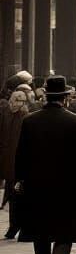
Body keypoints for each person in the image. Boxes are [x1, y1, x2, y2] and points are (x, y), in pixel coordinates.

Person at [14, 77, 76, 254]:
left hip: (36, 186)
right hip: (66, 186)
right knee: (65, 232)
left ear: (46, 97)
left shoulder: (30, 121)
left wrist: (19, 180)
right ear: (65, 98)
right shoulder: (75, 121)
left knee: (40, 234)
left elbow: (21, 155)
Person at [1, 87, 32, 238]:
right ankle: (15, 226)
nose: (16, 104)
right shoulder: (5, 115)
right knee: (13, 195)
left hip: (20, 162)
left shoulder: (26, 117)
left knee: (19, 196)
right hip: (8, 163)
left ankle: (19, 226)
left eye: (20, 101)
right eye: (15, 100)